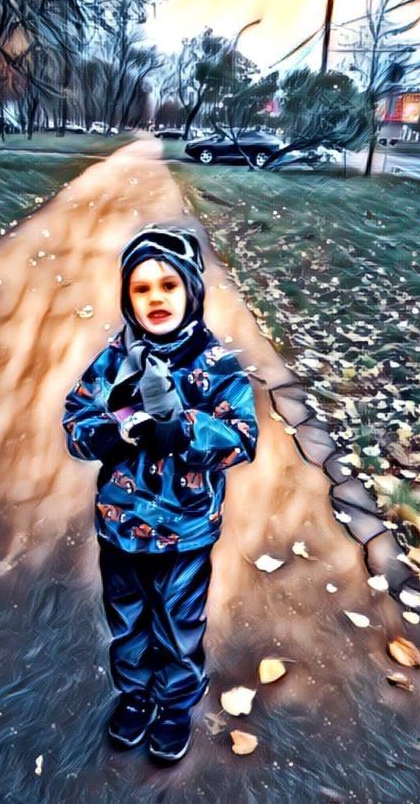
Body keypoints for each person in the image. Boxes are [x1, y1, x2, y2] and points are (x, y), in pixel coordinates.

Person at [62, 225, 259, 762]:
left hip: (185, 529)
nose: (156, 298)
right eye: (141, 288)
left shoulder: (217, 365)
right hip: (120, 524)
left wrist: (182, 428)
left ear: (191, 290)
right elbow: (76, 423)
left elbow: (242, 440)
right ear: (127, 297)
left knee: (178, 624)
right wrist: (115, 432)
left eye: (169, 285)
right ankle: (134, 694)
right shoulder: (112, 360)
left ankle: (174, 706)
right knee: (126, 619)